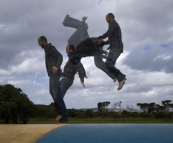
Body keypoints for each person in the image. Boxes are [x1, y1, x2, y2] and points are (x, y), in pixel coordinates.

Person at [62, 15, 117, 83]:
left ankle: (67, 21)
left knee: (85, 26)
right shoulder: (81, 52)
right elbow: (91, 53)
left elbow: (84, 32)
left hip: (75, 42)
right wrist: (104, 54)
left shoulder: (80, 46)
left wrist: (83, 21)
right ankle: (67, 21)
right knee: (85, 26)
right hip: (81, 44)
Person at [37, 36, 66, 122]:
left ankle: (61, 112)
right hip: (52, 74)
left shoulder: (50, 47)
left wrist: (57, 66)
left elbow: (60, 56)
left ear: (43, 41)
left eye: (39, 42)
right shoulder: (46, 49)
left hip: (55, 73)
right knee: (55, 92)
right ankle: (62, 113)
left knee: (54, 92)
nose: (38, 44)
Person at [97, 13, 126, 90]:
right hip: (115, 47)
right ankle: (121, 80)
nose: (106, 20)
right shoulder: (112, 25)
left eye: (106, 18)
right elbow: (109, 40)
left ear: (110, 17)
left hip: (116, 47)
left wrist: (99, 38)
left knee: (108, 64)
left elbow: (108, 33)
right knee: (109, 66)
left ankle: (122, 78)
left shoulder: (113, 23)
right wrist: (102, 43)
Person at [59, 44, 87, 123]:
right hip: (64, 78)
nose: (65, 50)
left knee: (59, 98)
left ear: (71, 50)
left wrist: (82, 78)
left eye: (67, 48)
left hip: (67, 80)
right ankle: (63, 117)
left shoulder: (73, 57)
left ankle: (63, 118)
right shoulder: (70, 58)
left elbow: (79, 66)